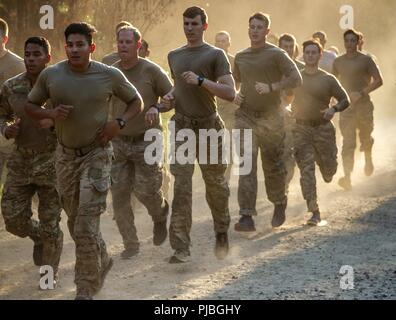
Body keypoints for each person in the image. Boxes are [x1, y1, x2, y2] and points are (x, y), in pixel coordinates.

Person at [25, 22, 143, 300]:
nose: (75, 49)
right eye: (70, 45)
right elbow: (30, 106)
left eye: (80, 45)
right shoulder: (51, 75)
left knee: (84, 226)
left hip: (97, 154)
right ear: (65, 47)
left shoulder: (109, 75)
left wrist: (119, 122)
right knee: (75, 221)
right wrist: (51, 115)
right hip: (65, 157)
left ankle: (85, 288)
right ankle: (102, 257)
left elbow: (135, 100)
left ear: (91, 47)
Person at [165, 6, 235, 263]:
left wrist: (202, 81)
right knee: (181, 187)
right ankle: (181, 247)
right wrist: (165, 102)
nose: (190, 28)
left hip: (209, 128)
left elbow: (230, 93)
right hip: (182, 127)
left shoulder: (216, 55)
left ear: (204, 26)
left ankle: (221, 231)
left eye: (194, 24)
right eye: (186, 24)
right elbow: (177, 90)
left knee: (215, 185)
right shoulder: (174, 55)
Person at [0, 36, 63, 287]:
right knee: (13, 219)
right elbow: (1, 115)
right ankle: (37, 237)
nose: (30, 59)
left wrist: (55, 123)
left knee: (51, 224)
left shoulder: (60, 85)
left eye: (37, 54)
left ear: (48, 58)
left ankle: (49, 277)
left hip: (52, 162)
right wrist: (6, 129)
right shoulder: (11, 87)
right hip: (21, 161)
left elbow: (79, 116)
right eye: (27, 54)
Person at [233, 13, 302, 232]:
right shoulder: (241, 56)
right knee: (246, 164)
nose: (254, 30)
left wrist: (272, 87)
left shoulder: (277, 54)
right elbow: (233, 81)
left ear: (267, 31)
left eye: (259, 27)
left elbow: (296, 78)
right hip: (245, 116)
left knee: (272, 166)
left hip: (272, 117)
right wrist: (234, 93)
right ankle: (246, 216)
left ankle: (279, 202)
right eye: (251, 26)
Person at [111, 26, 172, 258]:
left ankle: (160, 213)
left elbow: (171, 96)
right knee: (119, 194)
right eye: (120, 42)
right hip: (119, 141)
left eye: (128, 42)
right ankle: (131, 243)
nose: (123, 46)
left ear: (138, 45)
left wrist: (157, 107)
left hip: (148, 139)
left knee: (146, 190)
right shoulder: (111, 73)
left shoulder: (151, 71)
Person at [291, 39, 350, 225]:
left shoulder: (328, 79)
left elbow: (345, 99)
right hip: (300, 129)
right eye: (307, 52)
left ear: (320, 55)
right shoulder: (296, 78)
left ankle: (327, 168)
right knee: (306, 171)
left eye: (313, 52)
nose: (310, 55)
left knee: (329, 170)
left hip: (323, 129)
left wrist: (334, 109)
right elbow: (282, 98)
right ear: (303, 54)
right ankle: (314, 211)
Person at [333, 29, 383, 190]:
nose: (349, 44)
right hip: (346, 107)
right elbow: (332, 83)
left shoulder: (366, 60)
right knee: (348, 142)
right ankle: (347, 177)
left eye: (352, 41)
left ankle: (368, 156)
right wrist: (333, 102)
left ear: (358, 42)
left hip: (364, 105)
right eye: (346, 40)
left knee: (365, 136)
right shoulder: (338, 61)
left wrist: (361, 93)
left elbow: (378, 80)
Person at [278, 33, 305, 193]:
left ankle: (285, 185)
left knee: (289, 154)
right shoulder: (272, 67)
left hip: (294, 118)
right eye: (285, 47)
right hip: (272, 118)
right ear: (279, 48)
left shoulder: (301, 68)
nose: (288, 50)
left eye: (290, 47)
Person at [0, 18, 25, 183]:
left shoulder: (17, 65)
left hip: (8, 137)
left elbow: (26, 102)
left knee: (13, 188)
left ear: (4, 39)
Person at [214, 30, 236, 181]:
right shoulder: (209, 59)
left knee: (229, 144)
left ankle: (225, 178)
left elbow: (240, 84)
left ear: (229, 43)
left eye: (224, 41)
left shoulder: (235, 62)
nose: (221, 44)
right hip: (213, 107)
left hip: (231, 109)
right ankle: (215, 176)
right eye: (218, 41)